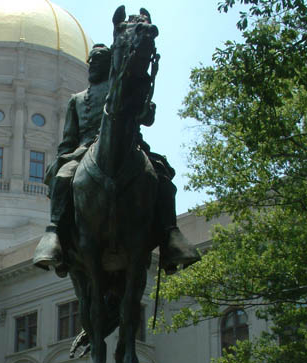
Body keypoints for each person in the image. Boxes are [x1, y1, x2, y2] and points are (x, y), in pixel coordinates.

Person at [33, 43, 199, 276]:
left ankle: (171, 236)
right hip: (84, 151)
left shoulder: (124, 91)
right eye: (92, 61)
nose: (94, 65)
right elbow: (69, 139)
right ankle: (54, 233)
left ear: (109, 64)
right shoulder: (77, 100)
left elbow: (146, 118)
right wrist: (63, 159)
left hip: (129, 146)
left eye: (100, 60)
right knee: (62, 177)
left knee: (162, 178)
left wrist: (145, 99)